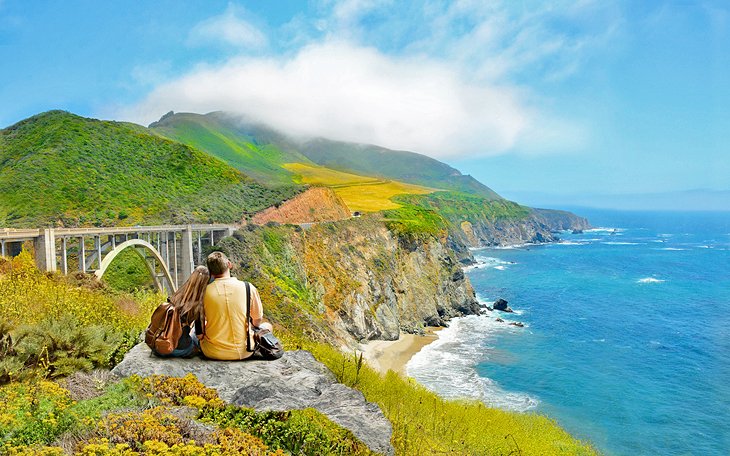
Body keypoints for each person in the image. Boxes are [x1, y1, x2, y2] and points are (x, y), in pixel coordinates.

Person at [200, 251, 273, 360]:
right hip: (245, 350)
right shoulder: (248, 287)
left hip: (212, 352)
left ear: (210, 272)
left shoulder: (203, 292)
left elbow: (200, 329)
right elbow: (257, 320)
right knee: (267, 326)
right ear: (229, 264)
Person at [152, 265, 209, 358]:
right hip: (177, 349)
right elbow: (199, 335)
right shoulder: (198, 306)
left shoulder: (176, 296)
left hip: (159, 345)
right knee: (194, 337)